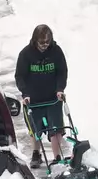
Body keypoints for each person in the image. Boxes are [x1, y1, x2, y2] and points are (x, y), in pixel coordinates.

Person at [14, 24, 68, 168]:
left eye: (47, 42)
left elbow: (62, 72)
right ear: (35, 40)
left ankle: (57, 157)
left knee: (55, 128)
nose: (45, 45)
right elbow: (20, 76)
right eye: (42, 43)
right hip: (34, 99)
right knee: (35, 128)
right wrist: (25, 93)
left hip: (53, 98)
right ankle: (36, 153)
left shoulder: (56, 52)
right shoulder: (26, 54)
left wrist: (60, 89)